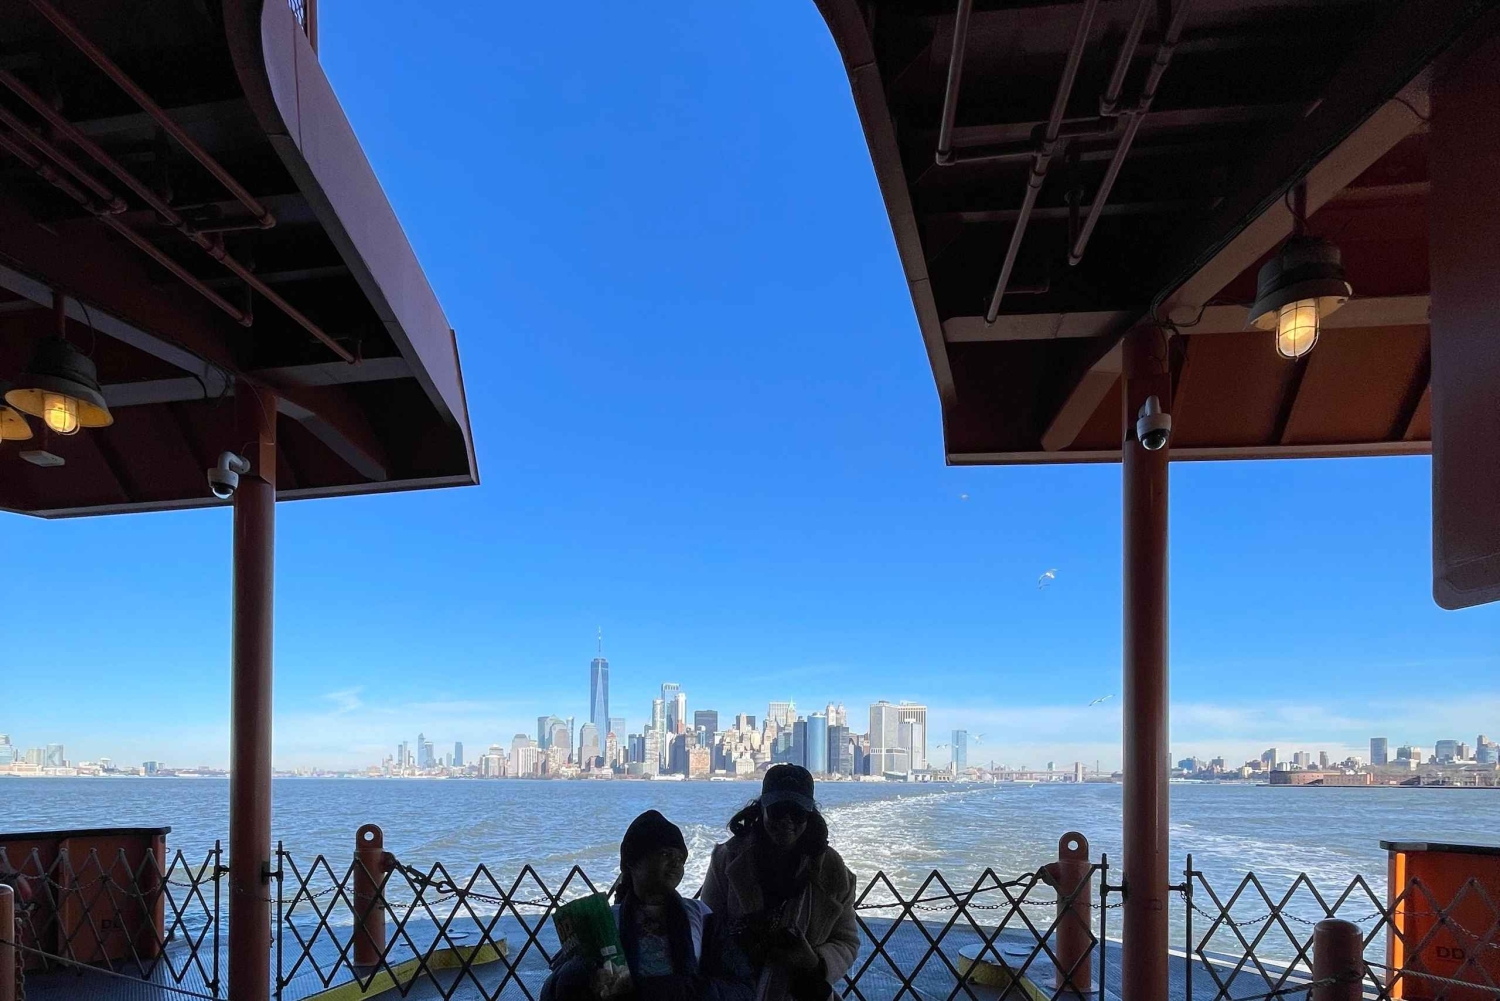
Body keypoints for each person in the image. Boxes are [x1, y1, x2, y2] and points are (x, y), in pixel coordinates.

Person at [542, 810, 751, 1001]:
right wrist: (585, 977)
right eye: (665, 854)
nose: (676, 864)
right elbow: (553, 991)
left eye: (681, 858)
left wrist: (675, 989)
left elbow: (740, 988)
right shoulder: (603, 921)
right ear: (631, 863)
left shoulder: (700, 916)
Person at [700, 765, 859, 1001]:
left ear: (810, 815)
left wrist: (814, 962)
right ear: (762, 808)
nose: (786, 820)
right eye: (778, 810)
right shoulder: (727, 859)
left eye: (797, 813)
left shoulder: (832, 870)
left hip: (800, 991)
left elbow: (846, 940)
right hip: (735, 990)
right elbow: (708, 928)